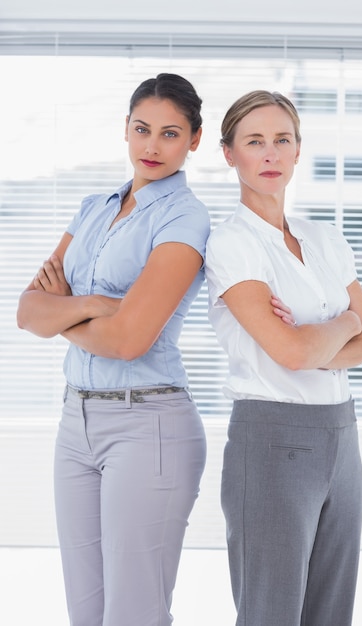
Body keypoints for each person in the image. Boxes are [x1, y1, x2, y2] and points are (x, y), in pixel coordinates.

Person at [16, 73, 210, 626]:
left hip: (148, 424)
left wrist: (70, 309)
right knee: (86, 612)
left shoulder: (184, 218)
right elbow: (28, 311)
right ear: (125, 129)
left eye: (170, 134)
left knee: (133, 615)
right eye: (142, 129)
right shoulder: (93, 207)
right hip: (74, 423)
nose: (153, 146)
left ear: (193, 141)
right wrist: (100, 303)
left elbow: (129, 341)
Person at [205, 90, 362, 626]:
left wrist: (333, 334)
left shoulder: (325, 239)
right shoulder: (232, 244)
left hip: (342, 436)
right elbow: (290, 351)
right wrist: (348, 323)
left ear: (298, 151)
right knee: (271, 613)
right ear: (229, 154)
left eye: (281, 140)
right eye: (254, 141)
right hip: (272, 439)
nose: (270, 154)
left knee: (333, 612)